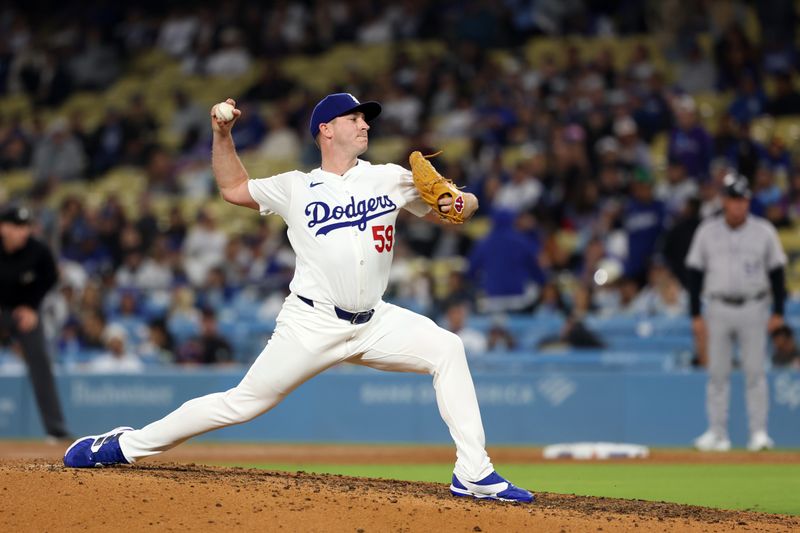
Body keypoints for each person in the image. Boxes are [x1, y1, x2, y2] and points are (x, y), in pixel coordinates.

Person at [64, 93, 533, 503]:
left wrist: (456, 200)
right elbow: (231, 189)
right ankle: (125, 446)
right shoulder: (295, 186)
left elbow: (459, 209)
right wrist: (222, 134)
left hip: (375, 321)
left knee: (447, 348)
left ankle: (473, 473)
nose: (365, 124)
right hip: (311, 323)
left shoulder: (389, 177)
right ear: (326, 131)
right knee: (241, 404)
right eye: (355, 118)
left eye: (366, 119)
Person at [686, 173, 787, 452]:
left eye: (742, 199)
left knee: (755, 372)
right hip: (717, 306)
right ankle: (717, 433)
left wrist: (778, 311)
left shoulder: (764, 230)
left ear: (748, 202)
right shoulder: (707, 230)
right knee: (717, 374)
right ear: (724, 201)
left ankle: (759, 433)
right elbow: (694, 273)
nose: (738, 205)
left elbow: (778, 273)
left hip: (754, 305)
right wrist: (695, 315)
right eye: (733, 199)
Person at [0, 205, 71, 441]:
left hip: (24, 313)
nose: (24, 232)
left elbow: (50, 277)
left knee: (40, 360)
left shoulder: (38, 250)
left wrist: (31, 306)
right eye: (18, 226)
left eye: (26, 226)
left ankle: (56, 429)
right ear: (4, 227)